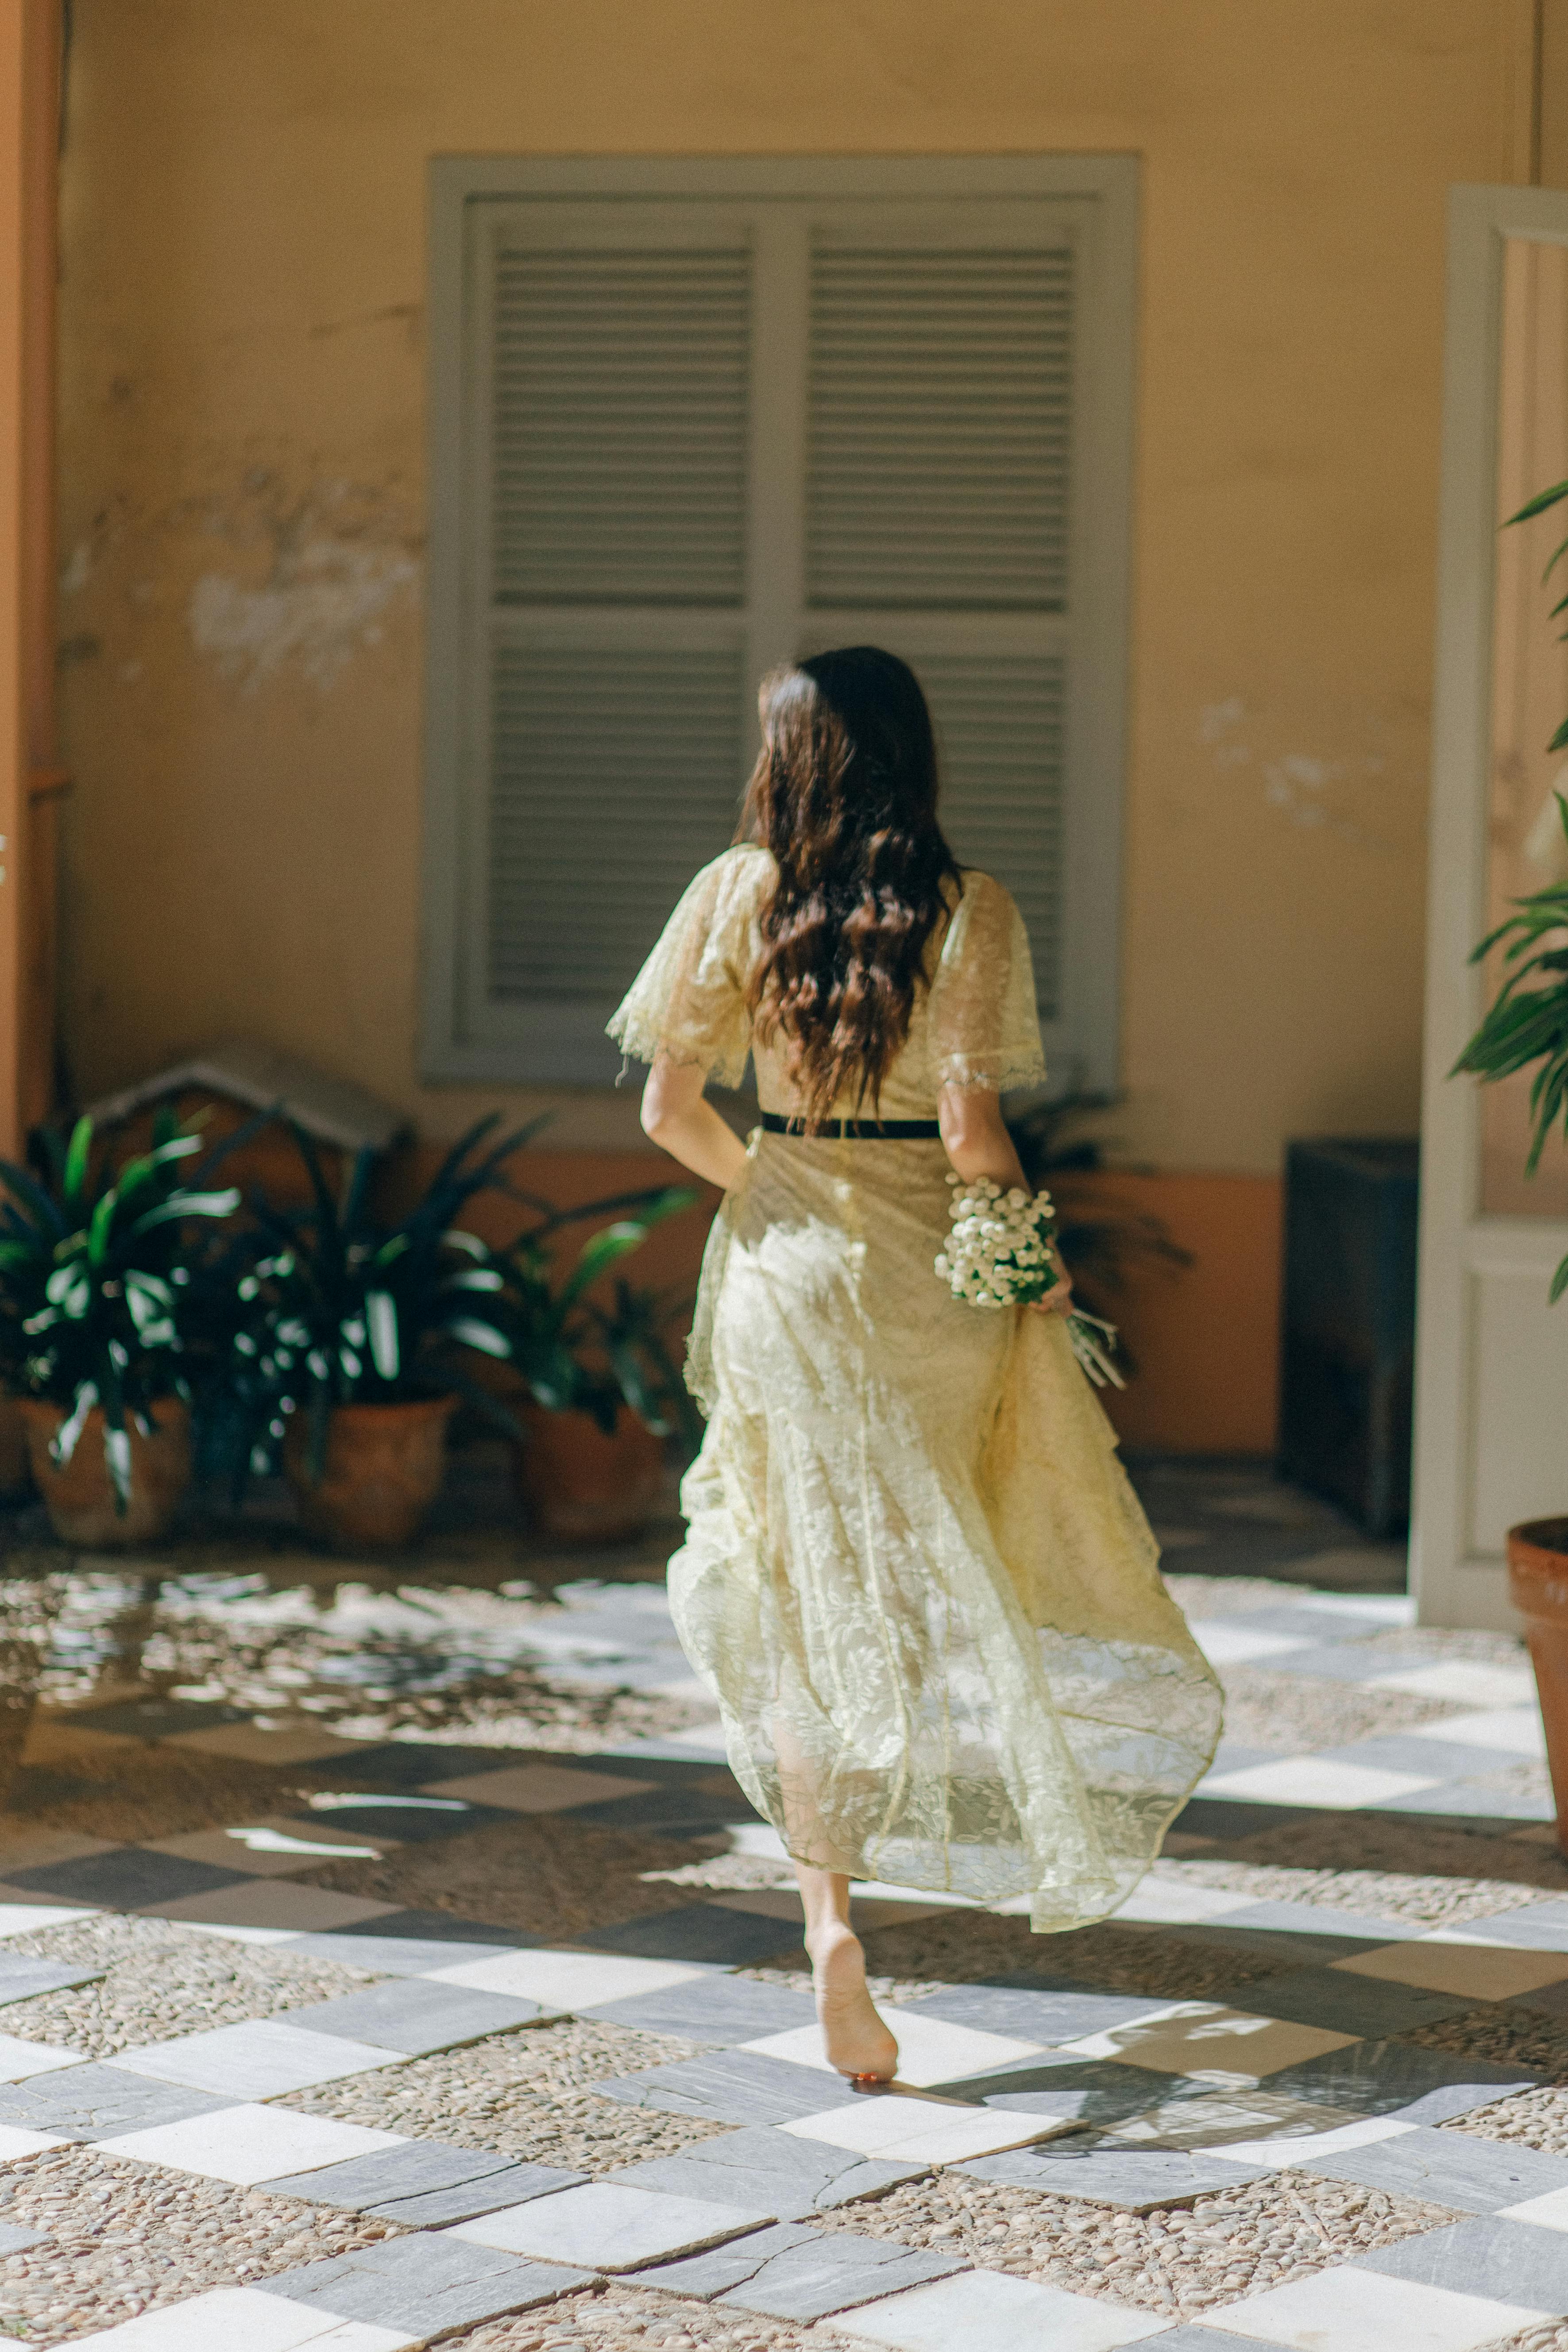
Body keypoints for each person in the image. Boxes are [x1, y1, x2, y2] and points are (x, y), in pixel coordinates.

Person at [609, 648, 1221, 2082]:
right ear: (911, 755)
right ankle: (870, 1856)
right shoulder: (967, 912)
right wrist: (1034, 1259)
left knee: (799, 1591)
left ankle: (828, 1924)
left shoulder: (733, 894)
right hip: (922, 1288)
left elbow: (665, 1108)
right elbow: (969, 1131)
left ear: (787, 761)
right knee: (907, 1577)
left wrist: (763, 1187)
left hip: (782, 1277)